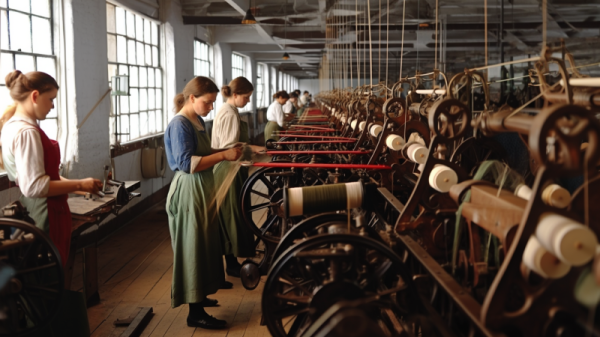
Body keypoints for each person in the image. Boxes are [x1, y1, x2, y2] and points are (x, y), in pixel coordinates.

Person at [0, 70, 103, 268]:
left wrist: (78, 188)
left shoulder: (11, 126)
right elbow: (34, 187)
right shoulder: (27, 132)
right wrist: (81, 182)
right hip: (45, 212)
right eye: (51, 99)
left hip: (34, 207)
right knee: (48, 273)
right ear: (35, 96)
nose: (53, 105)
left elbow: (43, 177)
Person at [164, 76, 241, 329]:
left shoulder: (197, 121)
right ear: (192, 98)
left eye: (213, 103)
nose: (211, 108)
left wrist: (231, 150)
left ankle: (201, 294)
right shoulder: (180, 125)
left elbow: (203, 153)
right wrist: (223, 155)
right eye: (207, 103)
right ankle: (194, 313)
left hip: (201, 189)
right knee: (193, 248)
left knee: (205, 244)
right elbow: (187, 164)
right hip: (189, 191)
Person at [212, 77, 264, 278]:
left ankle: (233, 259)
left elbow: (234, 145)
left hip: (233, 168)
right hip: (228, 170)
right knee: (231, 215)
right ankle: (231, 263)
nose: (248, 101)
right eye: (246, 97)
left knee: (235, 214)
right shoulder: (230, 114)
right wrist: (252, 150)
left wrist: (255, 149)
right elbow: (229, 149)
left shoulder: (231, 111)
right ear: (235, 95)